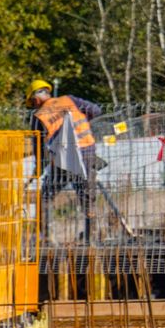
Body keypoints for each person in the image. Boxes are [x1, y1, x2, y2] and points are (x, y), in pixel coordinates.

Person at [26, 79, 103, 241]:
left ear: (36, 98)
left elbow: (38, 148)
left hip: (63, 160)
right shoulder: (70, 100)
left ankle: (45, 237)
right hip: (87, 152)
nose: (33, 105)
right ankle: (91, 236)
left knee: (46, 196)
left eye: (32, 102)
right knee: (87, 197)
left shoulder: (38, 117)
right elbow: (96, 110)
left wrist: (38, 170)